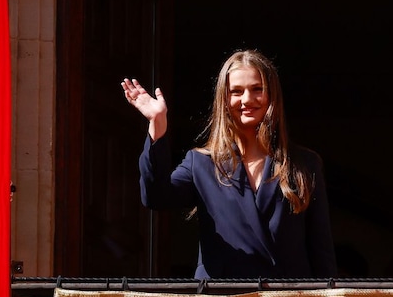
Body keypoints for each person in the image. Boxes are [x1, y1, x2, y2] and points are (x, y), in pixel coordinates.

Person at [121, 49, 337, 279]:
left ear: (272, 95)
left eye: (257, 89)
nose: (247, 99)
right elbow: (155, 196)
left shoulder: (304, 163)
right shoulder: (201, 163)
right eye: (236, 91)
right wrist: (157, 124)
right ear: (224, 99)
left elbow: (320, 247)